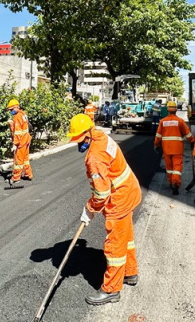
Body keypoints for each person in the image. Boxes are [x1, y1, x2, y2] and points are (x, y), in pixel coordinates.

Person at [68, 114, 142, 306]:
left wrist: (89, 209)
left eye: (79, 139)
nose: (78, 143)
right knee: (126, 237)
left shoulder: (94, 157)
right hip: (130, 189)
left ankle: (111, 290)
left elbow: (101, 194)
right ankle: (130, 272)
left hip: (120, 198)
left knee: (114, 246)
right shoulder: (101, 136)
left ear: (87, 134)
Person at [154, 101, 190, 195]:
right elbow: (187, 133)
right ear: (176, 110)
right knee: (177, 167)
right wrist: (192, 141)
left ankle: (170, 182)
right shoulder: (180, 121)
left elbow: (158, 135)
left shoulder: (162, 121)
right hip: (177, 148)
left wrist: (156, 145)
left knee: (169, 167)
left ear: (167, 110)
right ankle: (175, 184)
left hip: (166, 148)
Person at [7, 98, 32, 183]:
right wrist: (12, 123)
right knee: (25, 159)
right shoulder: (23, 114)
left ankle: (16, 178)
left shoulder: (17, 117)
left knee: (18, 160)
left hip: (21, 142)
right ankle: (28, 174)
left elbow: (17, 132)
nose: (10, 111)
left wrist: (15, 144)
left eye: (11, 109)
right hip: (26, 139)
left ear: (16, 107)